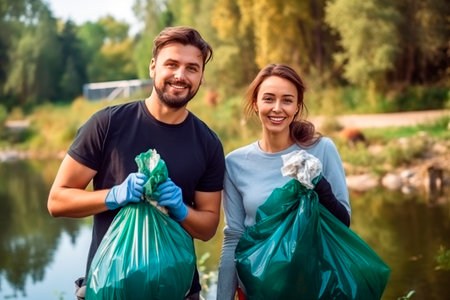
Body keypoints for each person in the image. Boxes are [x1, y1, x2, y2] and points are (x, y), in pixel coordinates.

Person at [47, 26, 225, 300]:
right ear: (153, 67)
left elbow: (208, 227)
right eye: (172, 64)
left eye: (192, 68)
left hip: (178, 292)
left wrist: (180, 209)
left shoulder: (208, 143)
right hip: (110, 288)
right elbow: (57, 201)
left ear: (201, 77)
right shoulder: (107, 124)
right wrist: (114, 195)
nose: (180, 75)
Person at [216, 63, 351, 300]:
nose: (277, 108)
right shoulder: (235, 163)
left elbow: (343, 223)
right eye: (268, 99)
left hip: (314, 288)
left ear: (297, 106)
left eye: (287, 100)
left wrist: (318, 183)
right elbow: (233, 238)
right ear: (256, 103)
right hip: (257, 290)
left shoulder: (321, 150)